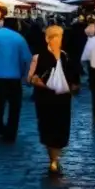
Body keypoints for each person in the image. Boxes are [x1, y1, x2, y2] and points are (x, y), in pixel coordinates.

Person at [29, 24, 80, 176]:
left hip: (52, 99)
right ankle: (54, 160)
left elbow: (30, 78)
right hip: (55, 99)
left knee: (53, 128)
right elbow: (30, 77)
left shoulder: (60, 57)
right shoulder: (62, 57)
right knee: (55, 127)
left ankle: (53, 160)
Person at [0, 17, 33, 142]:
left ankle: (0, 129)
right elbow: (27, 58)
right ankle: (11, 133)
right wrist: (26, 76)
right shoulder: (19, 38)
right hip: (15, 78)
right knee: (15, 107)